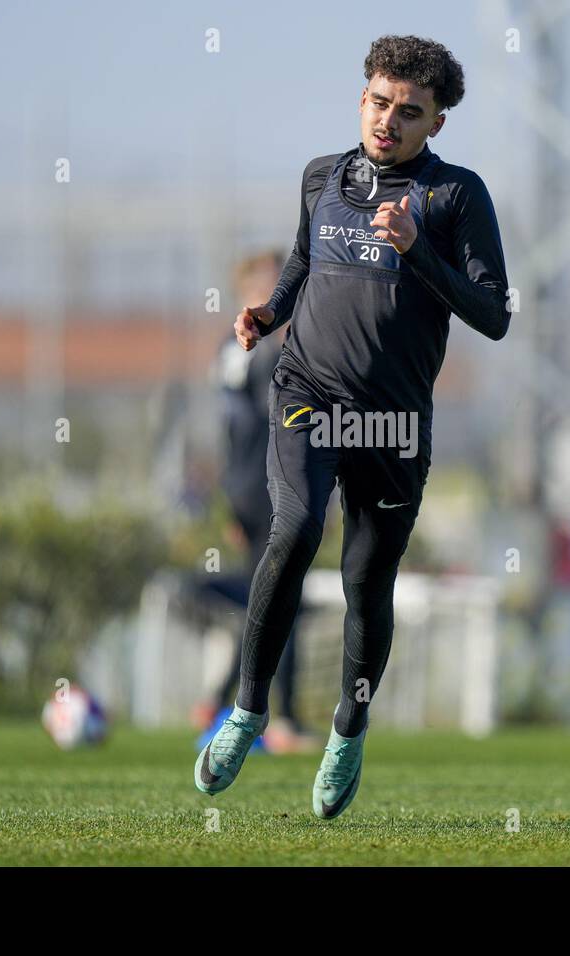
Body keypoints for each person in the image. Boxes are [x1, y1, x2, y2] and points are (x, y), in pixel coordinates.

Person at [195, 35, 511, 819]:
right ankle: (247, 713)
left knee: (368, 583)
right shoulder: (321, 177)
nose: (389, 121)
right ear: (361, 99)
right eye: (379, 102)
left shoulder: (456, 197)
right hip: (308, 393)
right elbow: (303, 262)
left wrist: (418, 255)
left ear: (435, 123)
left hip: (395, 421)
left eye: (409, 112)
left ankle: (347, 728)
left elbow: (494, 316)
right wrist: (269, 314)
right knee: (295, 529)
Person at [191, 250, 314, 755]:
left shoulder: (246, 344)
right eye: (267, 284)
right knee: (283, 598)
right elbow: (243, 422)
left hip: (269, 482)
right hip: (261, 485)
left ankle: (222, 698)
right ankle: (278, 718)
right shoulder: (248, 346)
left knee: (273, 596)